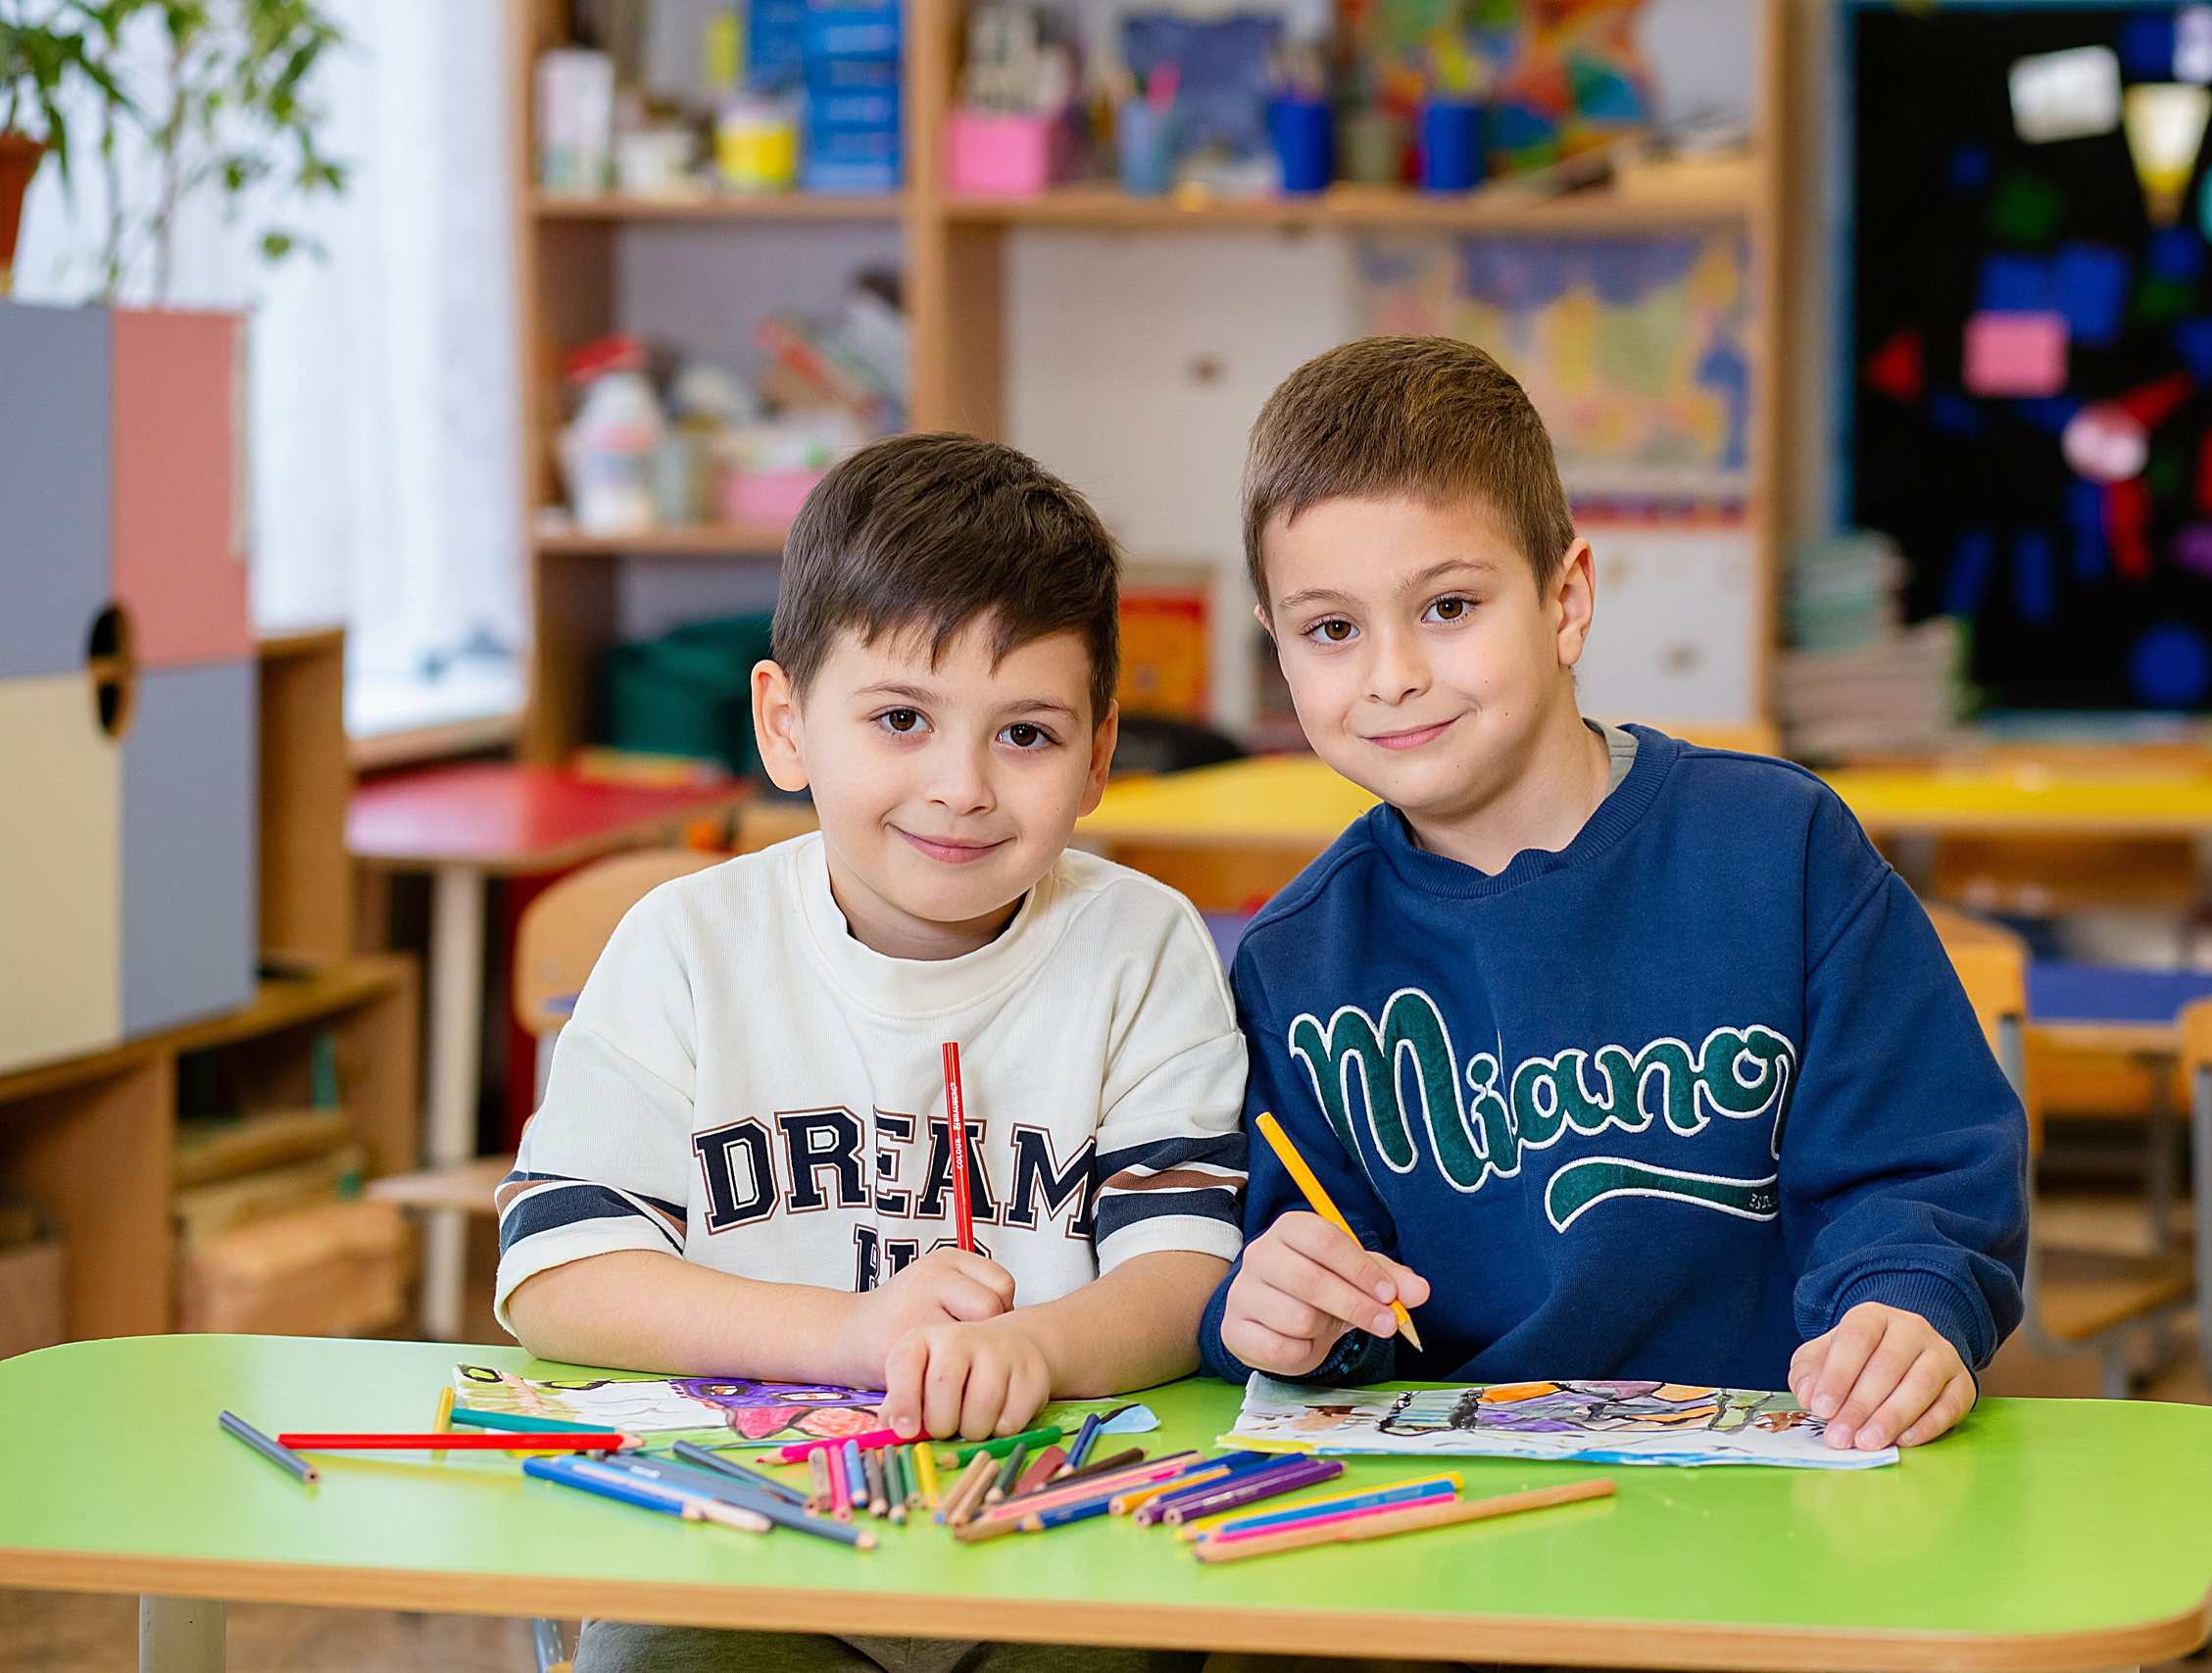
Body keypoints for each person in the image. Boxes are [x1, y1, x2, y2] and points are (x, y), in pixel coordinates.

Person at [499, 432, 1246, 1673]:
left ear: (1102, 753)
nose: (958, 786)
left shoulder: (1142, 947)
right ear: (784, 726)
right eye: (901, 717)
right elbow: (557, 1274)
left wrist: (1033, 1350)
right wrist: (848, 1338)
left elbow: (1184, 1277)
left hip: (1063, 1553)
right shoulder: (688, 944)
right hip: (740, 1552)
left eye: (1026, 735)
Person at [1200, 337, 2027, 1455]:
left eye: (1447, 607)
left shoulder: (1775, 848)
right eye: (1332, 629)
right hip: (1462, 1521)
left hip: (1781, 1479)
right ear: (1279, 655)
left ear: (1565, 600)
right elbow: (1312, 1283)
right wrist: (1287, 1311)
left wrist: (1903, 1305)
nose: (1390, 673)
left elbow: (1920, 1163)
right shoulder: (1295, 959)